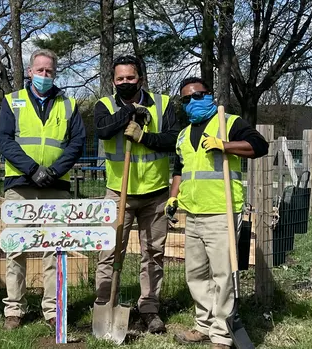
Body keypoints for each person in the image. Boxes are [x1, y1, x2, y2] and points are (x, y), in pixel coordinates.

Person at [169, 77, 268, 349]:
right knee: (196, 274)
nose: (192, 101)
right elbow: (179, 170)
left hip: (221, 211)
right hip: (193, 213)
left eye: (197, 95)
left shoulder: (229, 123)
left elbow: (259, 146)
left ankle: (222, 335)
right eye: (186, 99)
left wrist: (224, 145)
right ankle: (203, 324)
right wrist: (173, 198)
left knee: (224, 274)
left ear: (209, 95)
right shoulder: (182, 134)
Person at [0, 49, 86, 330]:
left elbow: (77, 142)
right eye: (40, 70)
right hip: (20, 186)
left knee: (56, 250)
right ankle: (14, 309)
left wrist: (54, 171)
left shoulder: (68, 104)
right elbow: (5, 141)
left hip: (56, 187)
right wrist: (33, 170)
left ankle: (53, 310)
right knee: (15, 249)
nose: (44, 76)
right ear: (29, 71)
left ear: (55, 73)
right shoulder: (12, 102)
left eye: (49, 71)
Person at [93, 55, 179, 333]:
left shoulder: (164, 104)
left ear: (140, 78)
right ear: (113, 81)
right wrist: (128, 113)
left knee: (153, 253)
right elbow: (103, 131)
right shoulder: (105, 105)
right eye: (120, 79)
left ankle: (150, 308)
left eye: (130, 78)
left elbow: (174, 140)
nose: (125, 83)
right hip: (119, 193)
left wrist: (144, 136)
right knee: (109, 251)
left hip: (155, 194)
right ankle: (105, 302)